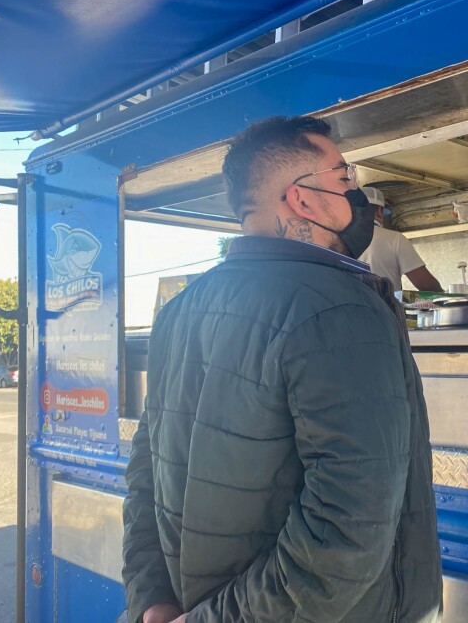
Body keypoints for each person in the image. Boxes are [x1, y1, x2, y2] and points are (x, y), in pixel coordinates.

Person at [122, 116, 442, 623]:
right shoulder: (343, 309)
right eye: (343, 179)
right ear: (302, 199)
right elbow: (347, 532)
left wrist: (153, 600)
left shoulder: (181, 309)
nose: (357, 193)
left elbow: (146, 473)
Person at [359, 186, 443, 292]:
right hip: (385, 308)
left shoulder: (340, 241)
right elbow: (425, 285)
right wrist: (442, 297)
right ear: (379, 211)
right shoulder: (395, 239)